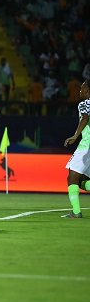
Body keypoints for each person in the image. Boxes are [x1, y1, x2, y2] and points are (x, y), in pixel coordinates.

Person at [62, 79, 90, 218]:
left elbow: (85, 118)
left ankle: (76, 211)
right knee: (82, 179)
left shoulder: (84, 103)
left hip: (86, 145)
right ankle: (76, 211)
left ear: (86, 90)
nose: (79, 91)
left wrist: (75, 135)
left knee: (72, 177)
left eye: (81, 89)